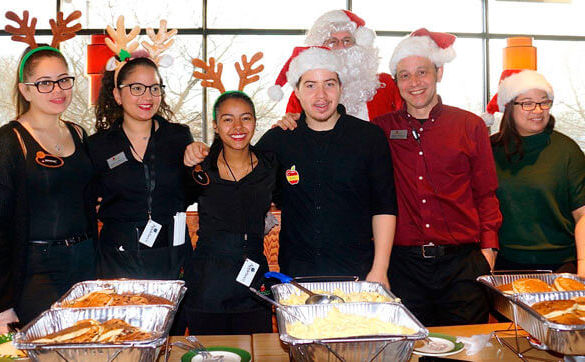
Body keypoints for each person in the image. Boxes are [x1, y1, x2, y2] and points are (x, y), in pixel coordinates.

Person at [185, 46, 398, 286]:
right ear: (296, 91)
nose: (321, 95)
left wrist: (380, 269)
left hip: (357, 271)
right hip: (296, 274)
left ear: (340, 88)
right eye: (310, 85)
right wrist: (201, 149)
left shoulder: (369, 137)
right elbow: (238, 158)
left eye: (329, 84)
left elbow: (384, 207)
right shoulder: (279, 140)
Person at [372, 28, 502, 326]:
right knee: (409, 349)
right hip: (402, 267)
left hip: (463, 266)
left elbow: (486, 193)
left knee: (468, 349)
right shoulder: (379, 130)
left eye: (422, 72)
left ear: (439, 72)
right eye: (404, 75)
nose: (414, 83)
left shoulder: (469, 126)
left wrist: (488, 252)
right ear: (396, 82)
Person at [0, 11, 95, 336]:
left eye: (64, 80)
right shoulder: (9, 141)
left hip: (85, 263)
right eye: (44, 83)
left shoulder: (79, 133)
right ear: (26, 90)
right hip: (36, 270)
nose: (57, 89)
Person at [89, 19, 194, 282]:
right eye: (136, 88)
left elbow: (193, 191)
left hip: (172, 255)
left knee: (172, 322)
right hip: (118, 258)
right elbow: (85, 197)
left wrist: (199, 165)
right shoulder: (98, 145)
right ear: (116, 94)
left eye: (154, 88)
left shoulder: (179, 136)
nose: (147, 97)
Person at [184, 91, 276, 335]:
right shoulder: (200, 167)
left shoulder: (270, 166)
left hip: (254, 279)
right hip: (208, 282)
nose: (238, 126)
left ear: (255, 122)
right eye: (227, 119)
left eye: (246, 118)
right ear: (215, 125)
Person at [486, 69, 585, 275]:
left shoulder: (566, 150)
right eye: (527, 103)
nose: (538, 110)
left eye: (544, 102)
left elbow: (582, 215)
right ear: (509, 107)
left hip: (561, 264)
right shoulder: (490, 150)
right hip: (504, 264)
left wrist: (583, 265)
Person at [268, 9, 402, 123]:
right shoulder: (305, 91)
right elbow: (292, 133)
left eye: (347, 41)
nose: (341, 48)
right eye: (332, 42)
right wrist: (287, 123)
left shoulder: (385, 84)